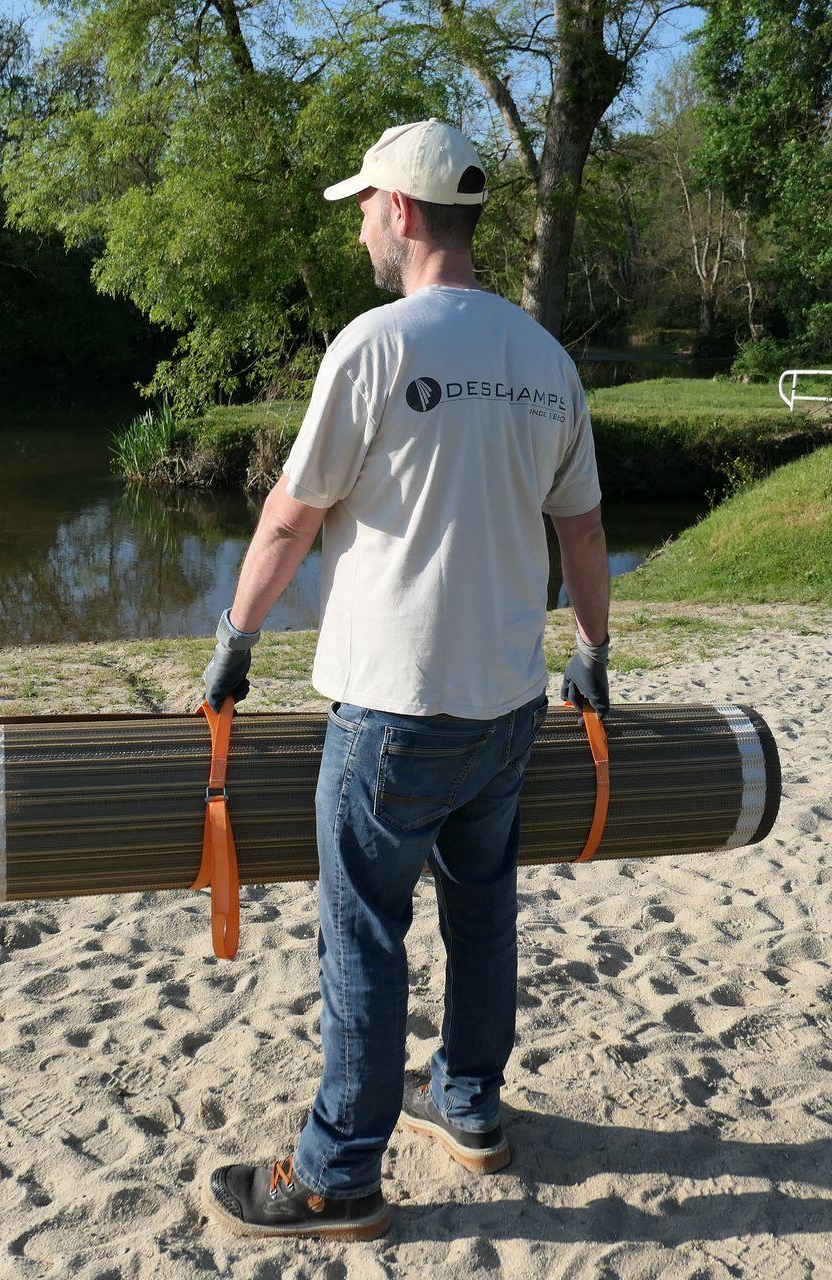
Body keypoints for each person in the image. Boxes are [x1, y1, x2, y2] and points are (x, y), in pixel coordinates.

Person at [198, 119, 612, 1241]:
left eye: (368, 207)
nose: (365, 228)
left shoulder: (374, 346)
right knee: (482, 915)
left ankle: (336, 1174)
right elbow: (582, 529)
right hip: (507, 707)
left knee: (366, 931)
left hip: (390, 711)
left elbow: (292, 513)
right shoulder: (544, 359)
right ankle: (468, 1101)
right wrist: (595, 652)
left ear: (405, 213)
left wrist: (236, 635)